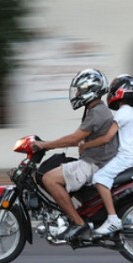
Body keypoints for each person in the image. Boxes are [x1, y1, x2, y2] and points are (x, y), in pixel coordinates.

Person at [32, 69, 119, 241]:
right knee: (55, 163)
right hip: (95, 160)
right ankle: (78, 212)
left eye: (80, 90)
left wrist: (44, 145)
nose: (77, 93)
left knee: (49, 179)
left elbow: (73, 139)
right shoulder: (95, 110)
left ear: (90, 91)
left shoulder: (97, 113)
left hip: (94, 164)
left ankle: (79, 224)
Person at [79, 74, 133, 235]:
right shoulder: (129, 112)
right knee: (110, 183)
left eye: (113, 90)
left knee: (99, 179)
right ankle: (121, 216)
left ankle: (113, 219)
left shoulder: (123, 112)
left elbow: (107, 138)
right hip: (128, 156)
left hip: (125, 157)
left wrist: (86, 145)